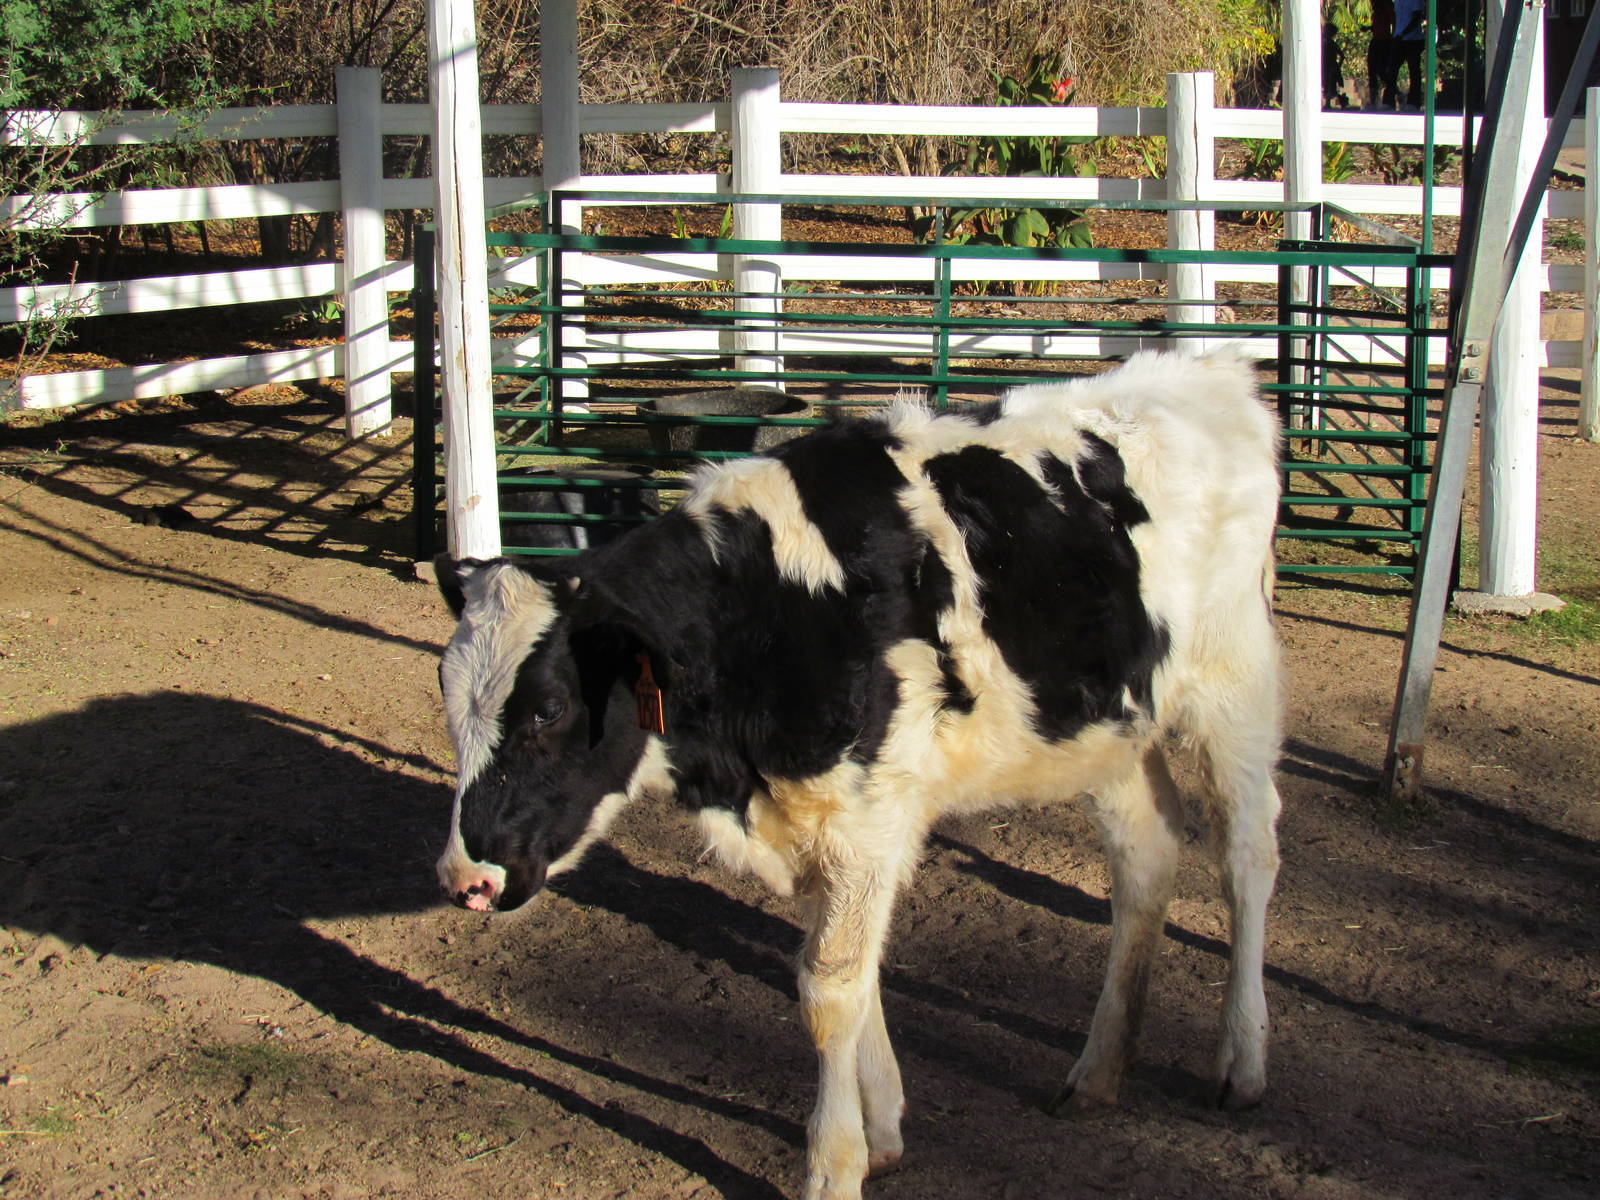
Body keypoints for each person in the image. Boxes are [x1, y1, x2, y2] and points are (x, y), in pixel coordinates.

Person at [1391, 0, 1427, 111]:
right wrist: (1395, 34)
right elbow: (1396, 18)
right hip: (1399, 38)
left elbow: (1416, 18)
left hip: (1413, 39)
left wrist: (1404, 33)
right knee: (1392, 68)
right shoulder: (1397, 1)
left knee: (1414, 70)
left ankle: (1414, 102)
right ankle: (1388, 100)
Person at [1367, 0, 1397, 111]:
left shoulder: (1387, 5)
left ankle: (1396, 94)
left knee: (1382, 70)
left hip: (1385, 41)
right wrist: (1369, 28)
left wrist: (1394, 38)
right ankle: (1373, 101)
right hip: (1375, 40)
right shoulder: (1375, 4)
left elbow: (1393, 22)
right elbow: (1377, 24)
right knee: (1371, 69)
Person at [1323, 21, 1350, 109]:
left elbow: (1342, 56)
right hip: (1326, 67)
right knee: (1327, 86)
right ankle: (1338, 100)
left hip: (1330, 68)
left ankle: (1332, 102)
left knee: (1330, 86)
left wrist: (1337, 66)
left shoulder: (1331, 44)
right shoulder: (1324, 43)